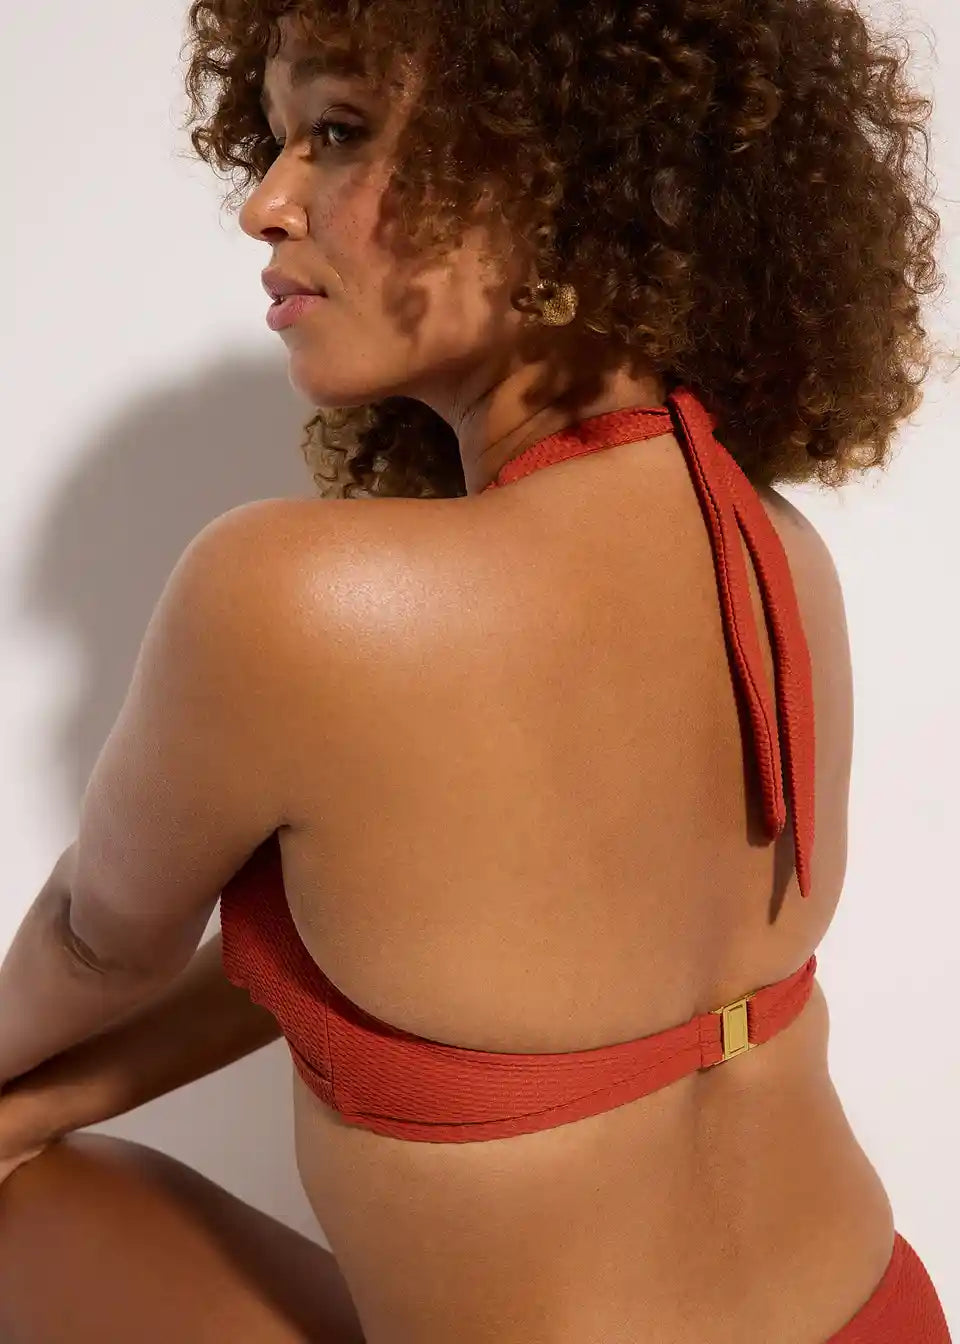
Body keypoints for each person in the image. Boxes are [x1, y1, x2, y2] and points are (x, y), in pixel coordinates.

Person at [0, 1, 953, 1340]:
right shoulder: (770, 555)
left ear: (553, 168)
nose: (265, 206)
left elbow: (90, 945)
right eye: (273, 144)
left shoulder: (296, 596)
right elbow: (399, 961)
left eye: (339, 132)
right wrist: (38, 1102)